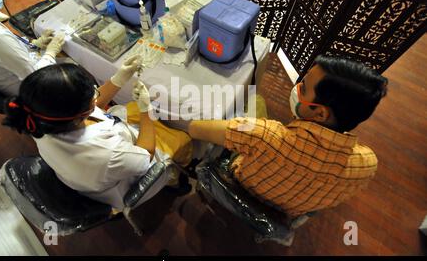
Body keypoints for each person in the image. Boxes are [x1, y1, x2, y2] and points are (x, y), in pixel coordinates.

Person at [165, 55, 388, 218]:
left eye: (304, 88)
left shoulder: (264, 134)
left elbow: (195, 128)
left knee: (255, 101)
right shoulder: (367, 163)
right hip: (287, 211)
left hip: (242, 184)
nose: (297, 88)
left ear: (320, 112)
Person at [2, 59, 193, 210]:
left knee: (130, 108)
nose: (96, 93)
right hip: (122, 176)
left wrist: (119, 78)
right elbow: (145, 155)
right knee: (182, 140)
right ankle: (175, 181)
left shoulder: (40, 120)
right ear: (80, 114)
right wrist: (146, 110)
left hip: (94, 163)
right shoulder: (106, 153)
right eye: (93, 94)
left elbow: (93, 107)